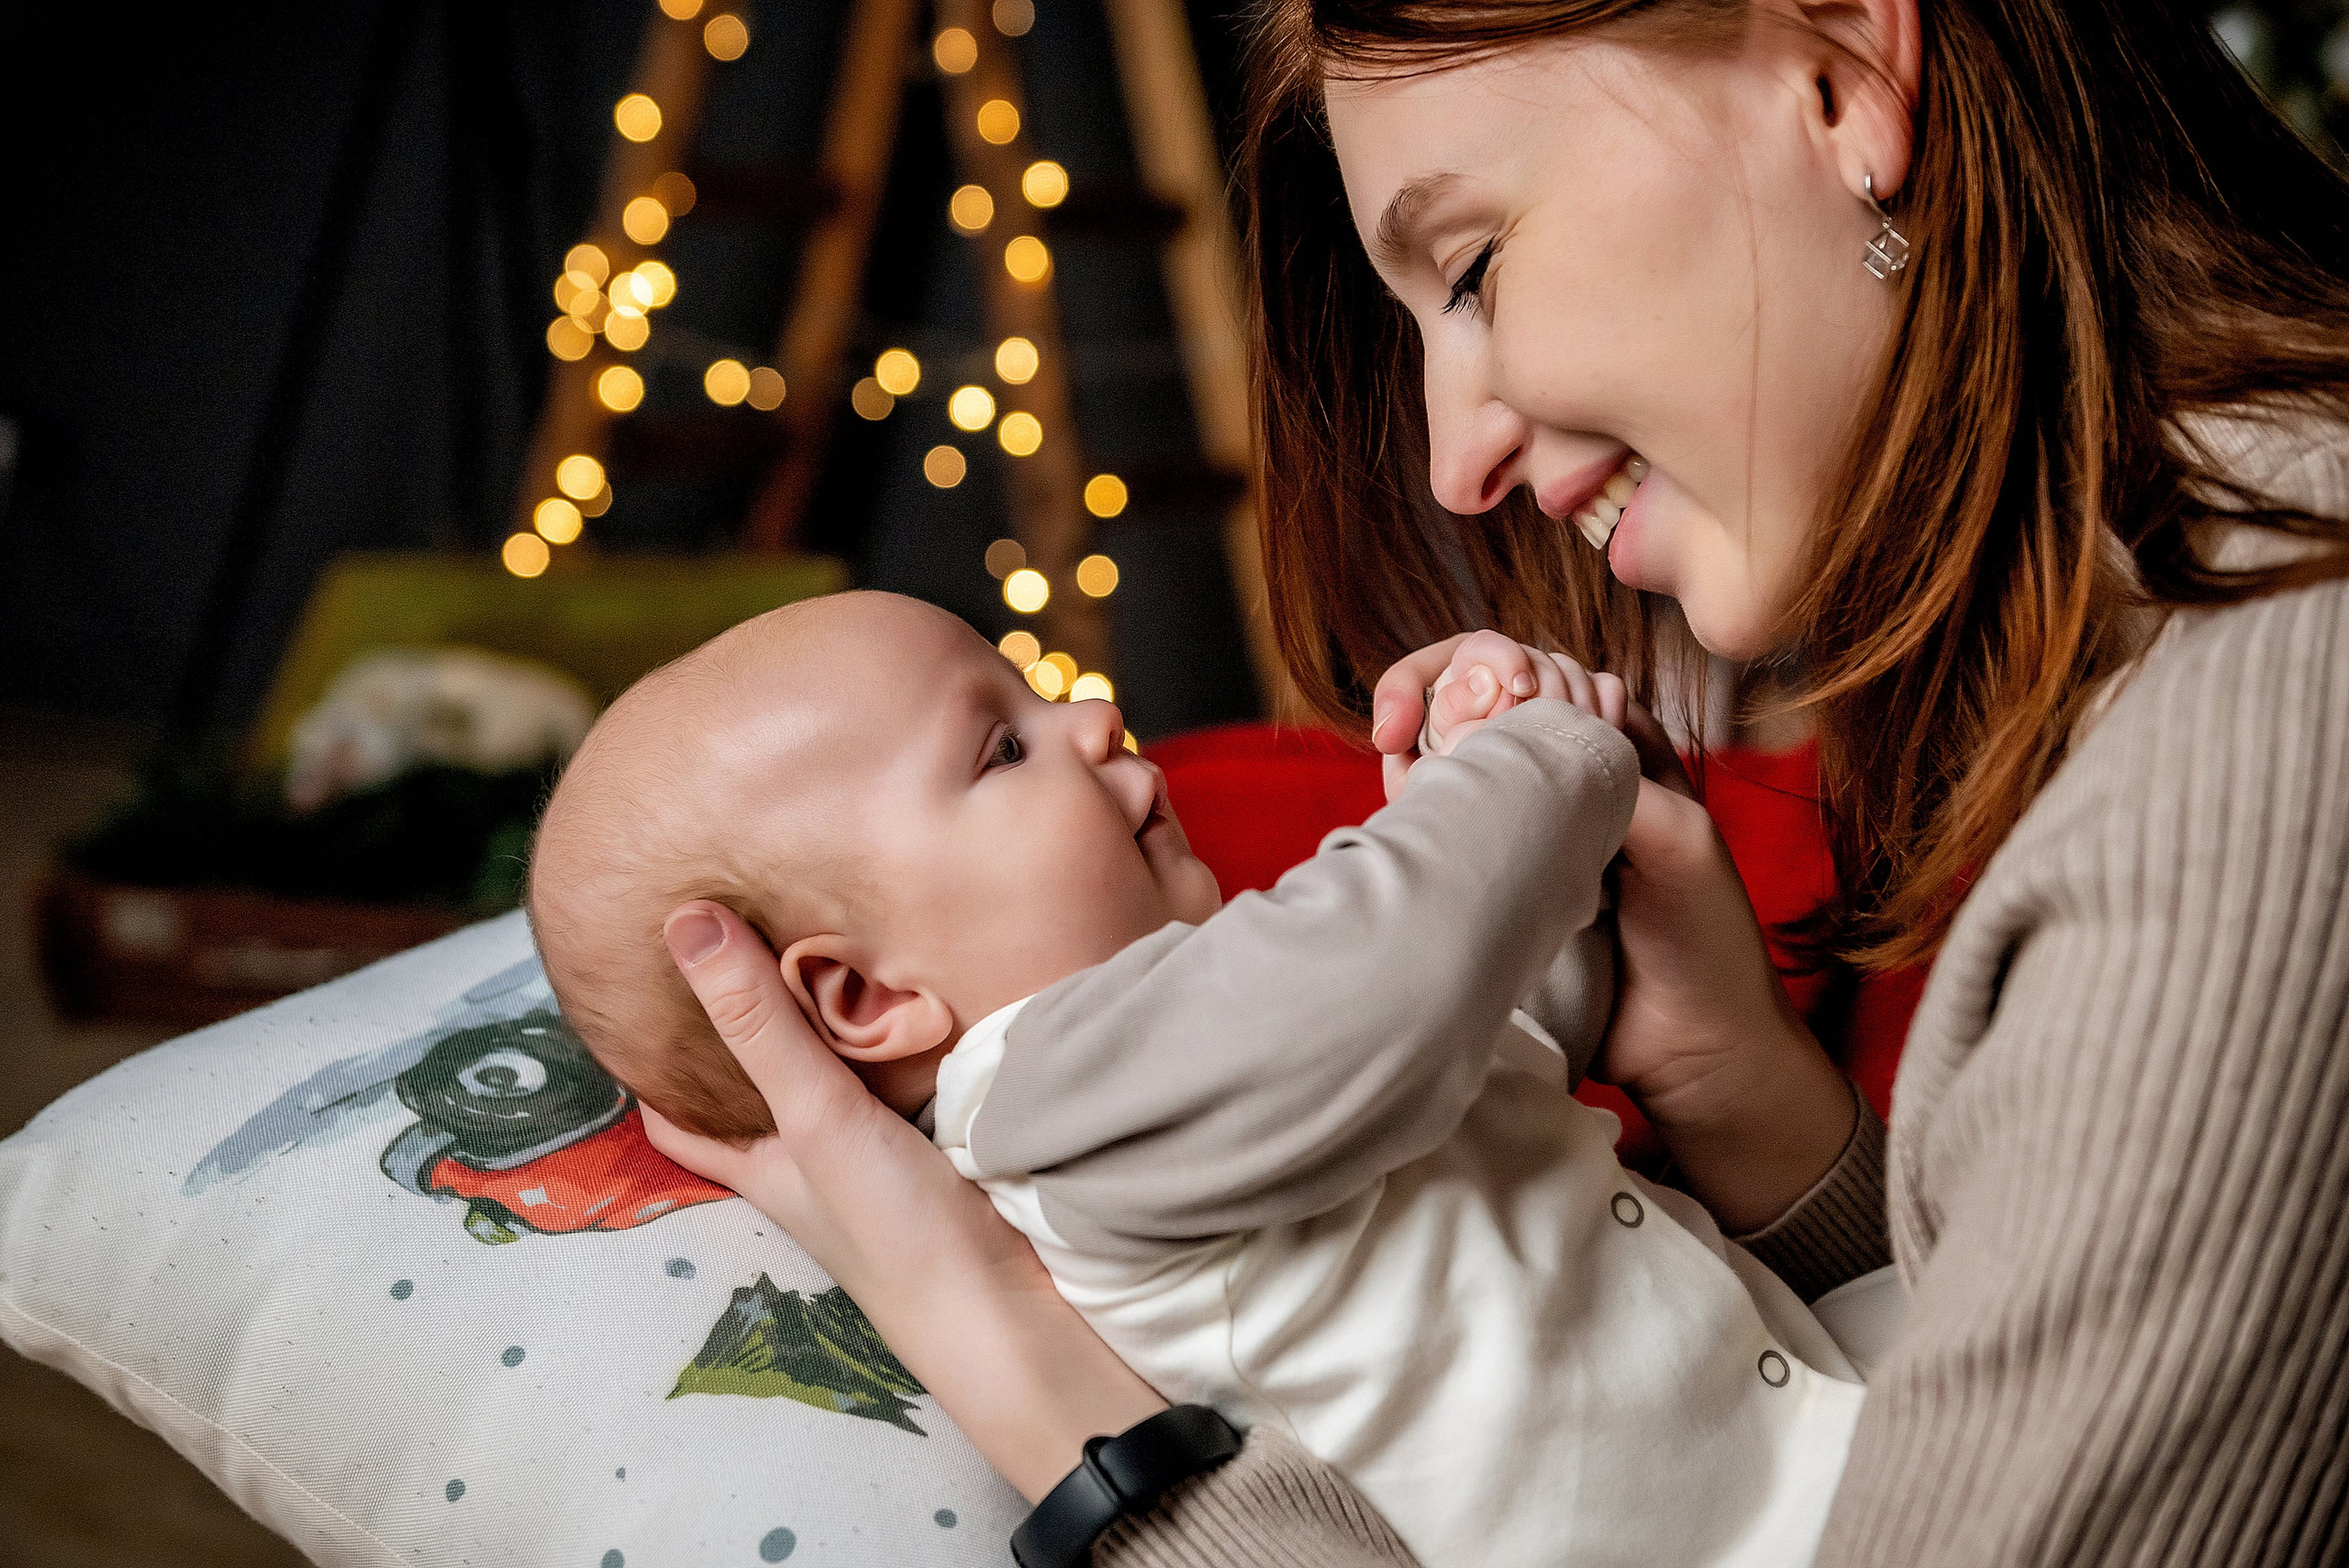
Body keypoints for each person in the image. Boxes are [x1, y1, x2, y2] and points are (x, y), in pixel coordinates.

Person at [642, 1, 2349, 1563]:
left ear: (1835, 67)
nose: (1457, 463)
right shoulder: (2230, 615)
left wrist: (1061, 1412)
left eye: (1468, 268)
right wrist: (1746, 1096)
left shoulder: (2261, 735)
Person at [529, 591, 1869, 1567]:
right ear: (866, 998)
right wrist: (1531, 775)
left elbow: (1490, 1029)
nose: (1093, 714)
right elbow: (1389, 988)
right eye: (1003, 745)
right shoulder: (1051, 1102)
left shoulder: (1232, 1011)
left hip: (1858, 1462)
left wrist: (1526, 814)